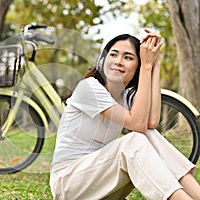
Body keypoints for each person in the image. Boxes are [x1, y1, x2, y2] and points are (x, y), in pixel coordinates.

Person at [49, 30, 200, 200]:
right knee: (133, 141)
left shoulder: (127, 96)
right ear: (103, 60)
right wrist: (147, 66)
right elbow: (137, 124)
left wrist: (154, 63)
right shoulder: (89, 87)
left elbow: (151, 122)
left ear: (137, 66)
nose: (118, 62)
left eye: (128, 57)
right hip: (69, 183)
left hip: (101, 182)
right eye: (113, 55)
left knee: (148, 134)